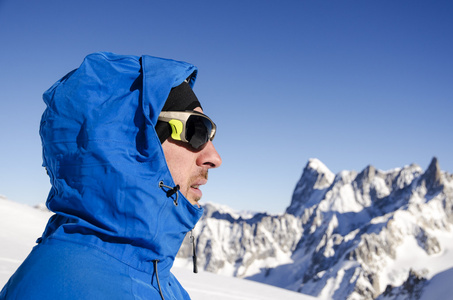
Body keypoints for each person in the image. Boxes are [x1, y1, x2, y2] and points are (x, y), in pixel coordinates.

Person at [0, 52, 222, 299]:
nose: (214, 158)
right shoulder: (59, 291)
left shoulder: (158, 276)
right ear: (131, 143)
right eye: (197, 130)